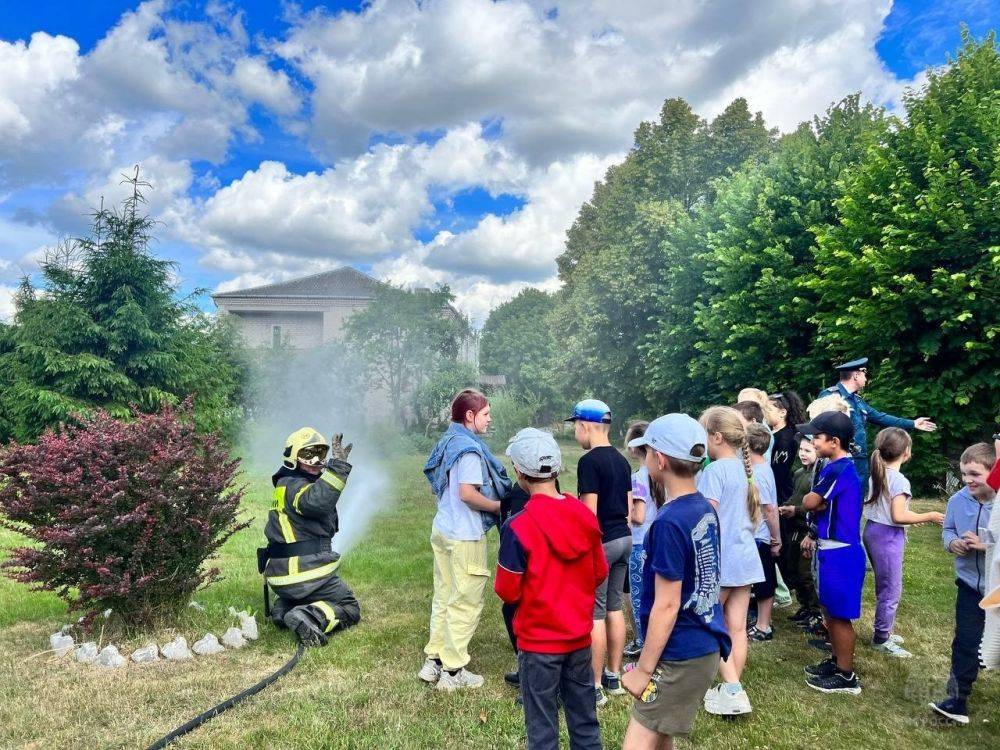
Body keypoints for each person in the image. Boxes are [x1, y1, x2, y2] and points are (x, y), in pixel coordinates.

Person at [621, 413, 731, 750]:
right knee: (660, 733)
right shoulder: (701, 509)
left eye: (648, 450)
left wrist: (643, 669)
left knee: (638, 741)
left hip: (679, 653)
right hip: (702, 645)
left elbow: (667, 605)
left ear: (660, 459)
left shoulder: (668, 522)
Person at [495, 428, 607, 750]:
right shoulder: (584, 516)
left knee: (542, 726)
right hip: (578, 640)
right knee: (584, 721)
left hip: (538, 644)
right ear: (557, 470)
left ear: (519, 473)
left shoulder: (516, 527)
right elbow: (599, 572)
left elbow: (508, 591)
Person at [419, 389, 512, 690]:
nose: (490, 418)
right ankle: (454, 671)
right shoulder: (469, 450)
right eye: (485, 413)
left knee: (444, 595)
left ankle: (433, 662)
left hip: (444, 529)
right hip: (464, 535)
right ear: (469, 416)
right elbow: (468, 493)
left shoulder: (448, 441)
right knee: (466, 600)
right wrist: (501, 507)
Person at [263, 428, 360, 646]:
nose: (316, 461)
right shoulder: (296, 486)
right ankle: (308, 616)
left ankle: (284, 608)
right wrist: (339, 470)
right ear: (292, 458)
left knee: (308, 593)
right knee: (349, 606)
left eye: (320, 455)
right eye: (308, 455)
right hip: (303, 573)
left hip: (282, 576)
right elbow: (315, 502)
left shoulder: (285, 483)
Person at [697, 406, 762, 716]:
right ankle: (731, 683)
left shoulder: (714, 471)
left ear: (717, 437)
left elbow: (705, 518)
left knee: (709, 623)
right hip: (746, 560)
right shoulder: (745, 469)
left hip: (721, 561)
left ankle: (732, 688)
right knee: (736, 627)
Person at [569, 399, 634, 706]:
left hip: (602, 543)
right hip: (624, 539)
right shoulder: (622, 461)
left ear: (585, 426)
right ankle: (613, 674)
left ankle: (594, 685)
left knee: (594, 613)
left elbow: (589, 514)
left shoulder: (589, 462)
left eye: (575, 427)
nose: (575, 434)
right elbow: (631, 508)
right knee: (614, 607)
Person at [798, 411, 865, 695]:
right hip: (830, 550)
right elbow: (816, 504)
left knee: (839, 616)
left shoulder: (840, 469)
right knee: (830, 610)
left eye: (816, 437)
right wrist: (816, 506)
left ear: (834, 441)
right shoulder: (830, 465)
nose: (812, 441)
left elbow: (809, 500)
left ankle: (846, 675)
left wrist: (813, 503)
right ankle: (837, 660)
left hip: (842, 553)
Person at [929, 442, 997, 725]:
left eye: (974, 474)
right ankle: (957, 699)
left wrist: (987, 545)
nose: (967, 479)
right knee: (965, 642)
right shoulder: (958, 500)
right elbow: (947, 530)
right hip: (969, 586)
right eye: (963, 473)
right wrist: (953, 543)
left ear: (994, 473)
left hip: (997, 589)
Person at [862, 428, 944, 658]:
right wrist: (930, 516)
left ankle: (884, 629)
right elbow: (898, 516)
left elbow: (893, 511)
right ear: (906, 452)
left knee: (885, 584)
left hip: (874, 531)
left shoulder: (877, 473)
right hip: (887, 536)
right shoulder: (899, 480)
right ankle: (881, 637)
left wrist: (912, 516)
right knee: (891, 589)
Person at [819, 357, 936, 479]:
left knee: (859, 495)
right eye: (864, 374)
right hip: (838, 459)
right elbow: (819, 427)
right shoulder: (830, 396)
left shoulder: (858, 401)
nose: (866, 378)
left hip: (859, 459)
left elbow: (880, 417)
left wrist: (913, 423)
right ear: (856, 376)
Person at [623, 421, 660, 659]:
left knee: (639, 596)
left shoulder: (638, 478)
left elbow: (639, 515)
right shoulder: (662, 474)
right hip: (658, 541)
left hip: (639, 544)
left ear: (635, 447)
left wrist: (624, 513)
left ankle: (643, 641)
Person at [779, 437, 821, 627]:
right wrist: (786, 506)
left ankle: (816, 612)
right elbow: (796, 497)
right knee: (794, 570)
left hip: (807, 529)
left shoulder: (817, 476)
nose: (803, 454)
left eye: (808, 451)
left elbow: (816, 506)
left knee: (806, 573)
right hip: (794, 528)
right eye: (801, 450)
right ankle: (804, 606)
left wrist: (795, 510)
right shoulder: (798, 473)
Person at [746, 424, 782, 643]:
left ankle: (764, 626)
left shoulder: (759, 473)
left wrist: (775, 539)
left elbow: (769, 508)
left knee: (764, 583)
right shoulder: (763, 468)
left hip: (760, 537)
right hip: (756, 536)